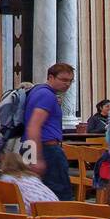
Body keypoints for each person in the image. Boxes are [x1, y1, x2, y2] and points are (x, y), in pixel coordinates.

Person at [21, 61, 75, 200]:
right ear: (51, 77)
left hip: (28, 146)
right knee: (60, 196)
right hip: (46, 148)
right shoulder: (47, 95)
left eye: (70, 81)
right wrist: (37, 159)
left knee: (33, 195)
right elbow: (34, 126)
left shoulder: (37, 90)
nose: (67, 84)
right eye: (63, 80)